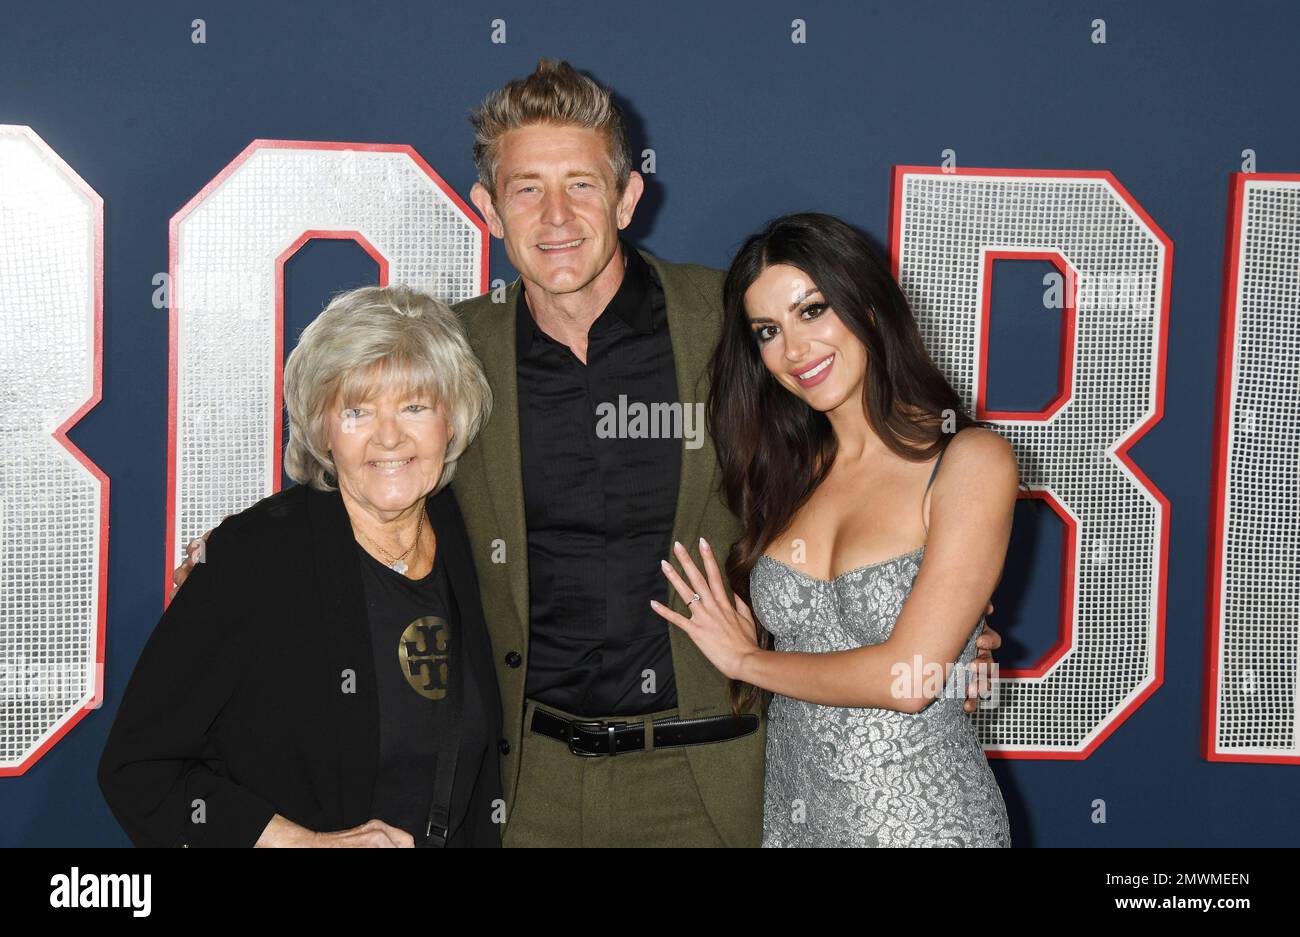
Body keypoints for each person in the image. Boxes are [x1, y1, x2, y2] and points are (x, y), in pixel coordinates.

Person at [172, 59, 1005, 848]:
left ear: (627, 195)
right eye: (526, 190)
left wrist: (937, 607)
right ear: (488, 210)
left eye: (580, 184)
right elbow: (367, 470)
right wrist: (244, 557)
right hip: (523, 786)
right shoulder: (453, 350)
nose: (557, 217)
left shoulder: (733, 326)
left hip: (712, 778)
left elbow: (861, 454)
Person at [650, 213, 1015, 846]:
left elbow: (912, 679)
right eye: (769, 330)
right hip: (798, 821)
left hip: (928, 828)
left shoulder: (969, 459)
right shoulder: (783, 475)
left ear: (869, 307)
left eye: (812, 311)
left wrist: (750, 659)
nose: (793, 350)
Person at [99, 285, 502, 847]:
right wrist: (304, 845)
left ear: (451, 422)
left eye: (414, 406)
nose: (389, 437)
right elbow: (141, 770)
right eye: (357, 411)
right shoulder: (254, 558)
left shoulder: (482, 540)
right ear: (322, 431)